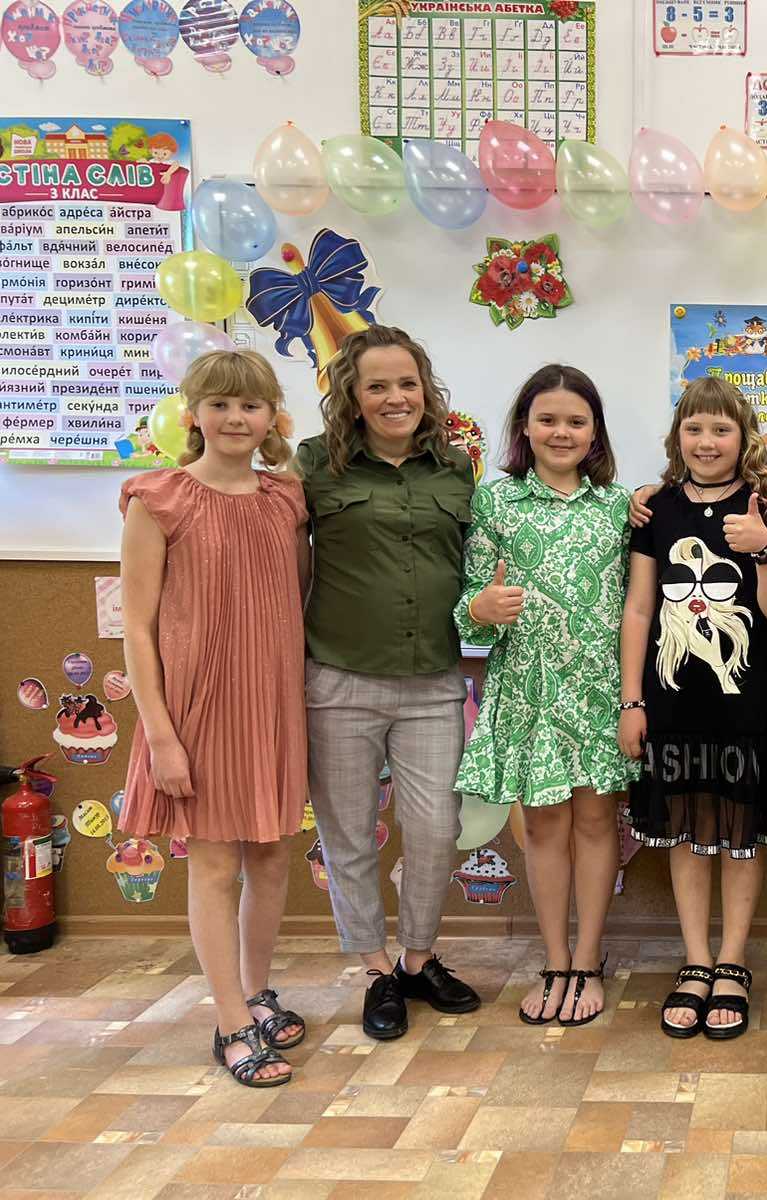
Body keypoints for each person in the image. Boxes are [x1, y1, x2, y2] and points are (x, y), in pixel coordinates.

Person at [119, 349, 308, 1087]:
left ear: (270, 417)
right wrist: (160, 735)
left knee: (271, 856)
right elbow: (138, 629)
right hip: (198, 710)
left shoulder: (286, 499)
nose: (236, 417)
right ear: (193, 412)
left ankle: (256, 993)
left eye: (251, 405)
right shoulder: (158, 498)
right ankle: (229, 1022)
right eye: (221, 403)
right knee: (216, 864)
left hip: (272, 704)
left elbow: (291, 601)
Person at [295, 325, 481, 1042]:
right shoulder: (315, 463)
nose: (395, 397)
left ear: (425, 390)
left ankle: (418, 959)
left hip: (432, 680)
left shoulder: (455, 468)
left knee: (435, 828)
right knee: (349, 835)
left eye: (407, 383)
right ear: (353, 395)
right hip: (339, 680)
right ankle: (376, 970)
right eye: (377, 385)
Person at [456, 364, 638, 1028]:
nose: (562, 432)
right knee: (542, 827)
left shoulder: (619, 507)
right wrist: (479, 609)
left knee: (595, 823)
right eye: (548, 419)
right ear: (525, 427)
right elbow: (470, 609)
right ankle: (556, 959)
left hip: (598, 692)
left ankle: (588, 959)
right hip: (528, 693)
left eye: (576, 421)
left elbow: (639, 603)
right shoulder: (495, 502)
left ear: (595, 432)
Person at [620, 377, 767, 1041]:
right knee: (687, 833)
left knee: (739, 834)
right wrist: (632, 700)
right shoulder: (655, 508)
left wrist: (765, 546)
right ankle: (695, 961)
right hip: (670, 702)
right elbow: (640, 608)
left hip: (745, 703)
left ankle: (732, 962)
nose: (706, 441)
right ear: (678, 437)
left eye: (721, 428)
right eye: (694, 428)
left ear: (742, 436)